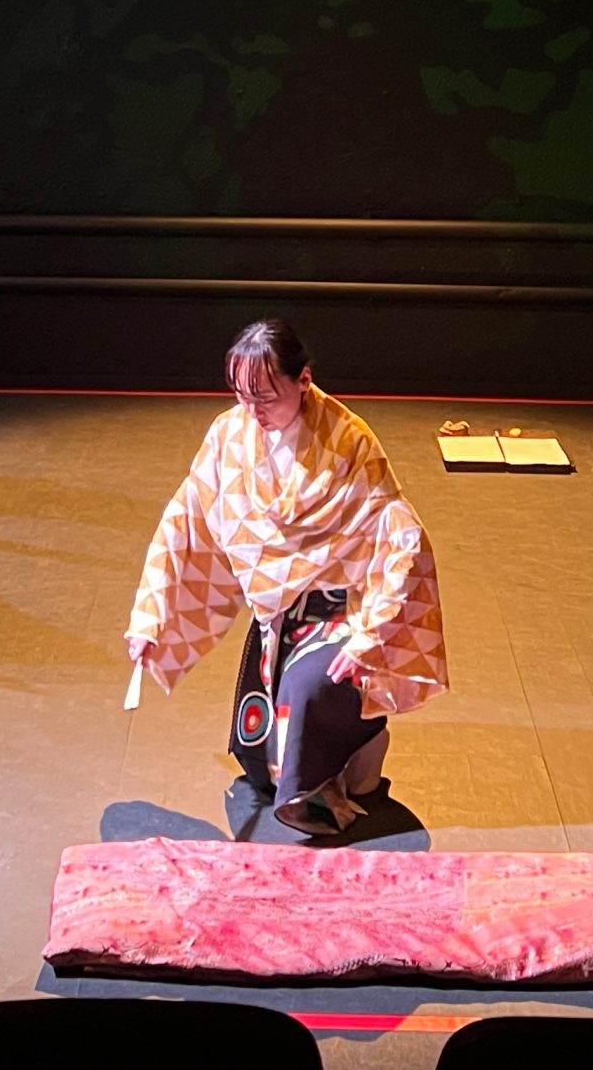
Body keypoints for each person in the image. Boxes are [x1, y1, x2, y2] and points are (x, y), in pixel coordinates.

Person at [127, 320, 447, 839]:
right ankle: (335, 760)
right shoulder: (229, 435)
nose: (252, 410)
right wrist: (151, 617)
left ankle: (361, 746)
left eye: (266, 397)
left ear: (304, 380)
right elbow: (184, 521)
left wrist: (372, 636)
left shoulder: (348, 440)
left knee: (310, 693)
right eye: (241, 395)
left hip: (341, 612)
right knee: (261, 765)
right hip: (275, 619)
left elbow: (401, 535)